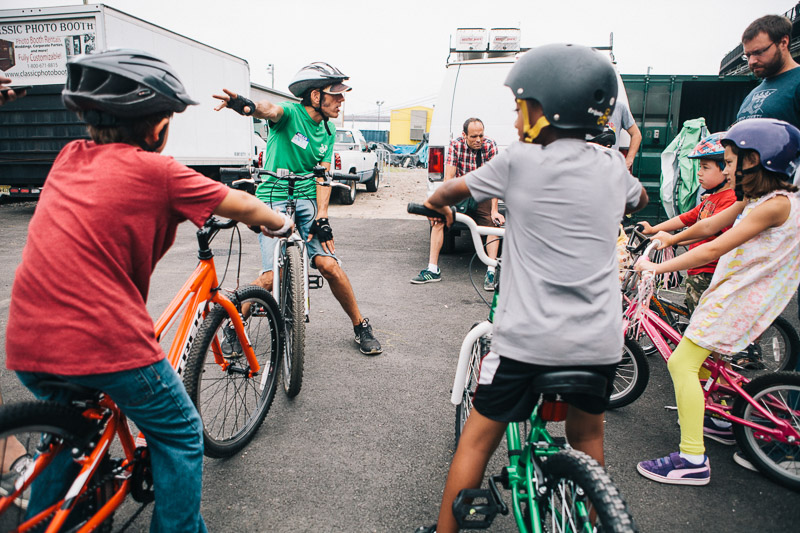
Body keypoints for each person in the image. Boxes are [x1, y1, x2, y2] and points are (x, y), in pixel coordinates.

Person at [4, 49, 293, 532]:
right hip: (104, 342)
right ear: (157, 126)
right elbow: (242, 204)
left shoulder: (69, 156)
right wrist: (280, 224)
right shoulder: (161, 173)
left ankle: (45, 521)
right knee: (179, 433)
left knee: (69, 432)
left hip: (29, 340)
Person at [415, 43, 647, 533]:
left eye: (523, 104)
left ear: (549, 109)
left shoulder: (518, 161)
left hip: (528, 341)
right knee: (587, 436)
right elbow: (639, 197)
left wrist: (438, 205)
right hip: (601, 342)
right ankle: (588, 517)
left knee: (477, 440)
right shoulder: (612, 166)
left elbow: (449, 193)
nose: (517, 115)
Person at [635, 118, 800, 486]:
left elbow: (714, 246)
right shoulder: (757, 199)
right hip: (734, 293)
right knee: (707, 363)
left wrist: (655, 268)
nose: (725, 170)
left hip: (737, 299)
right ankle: (719, 420)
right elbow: (707, 226)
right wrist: (667, 237)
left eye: (728, 162)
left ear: (755, 160)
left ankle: (692, 458)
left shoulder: (776, 206)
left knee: (681, 364)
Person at [213, 62, 382, 355]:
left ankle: (360, 325)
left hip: (306, 201)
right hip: (272, 197)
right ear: (315, 96)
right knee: (271, 276)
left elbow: (323, 176)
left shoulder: (328, 131)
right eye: (336, 94)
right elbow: (270, 109)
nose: (341, 101)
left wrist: (323, 217)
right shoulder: (290, 114)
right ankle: (233, 324)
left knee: (329, 265)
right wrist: (247, 106)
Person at [641, 133, 736, 316]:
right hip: (696, 270)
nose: (699, 172)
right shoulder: (712, 198)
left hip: (710, 272)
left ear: (724, 169)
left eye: (705, 167)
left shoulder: (730, 200)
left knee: (702, 322)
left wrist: (674, 239)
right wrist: (654, 229)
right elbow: (687, 218)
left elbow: (708, 229)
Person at [410, 118, 501, 290]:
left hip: (483, 192)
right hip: (461, 191)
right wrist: (441, 206)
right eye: (474, 136)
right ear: (464, 135)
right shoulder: (456, 145)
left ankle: (491, 271)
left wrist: (495, 211)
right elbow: (448, 179)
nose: (478, 140)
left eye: (481, 135)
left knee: (492, 223)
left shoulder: (490, 145)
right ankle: (432, 270)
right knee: (438, 220)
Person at [608, 98, 642, 172]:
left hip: (611, 169)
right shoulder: (582, 105)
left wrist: (628, 161)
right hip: (587, 168)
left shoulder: (619, 107)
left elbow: (636, 134)